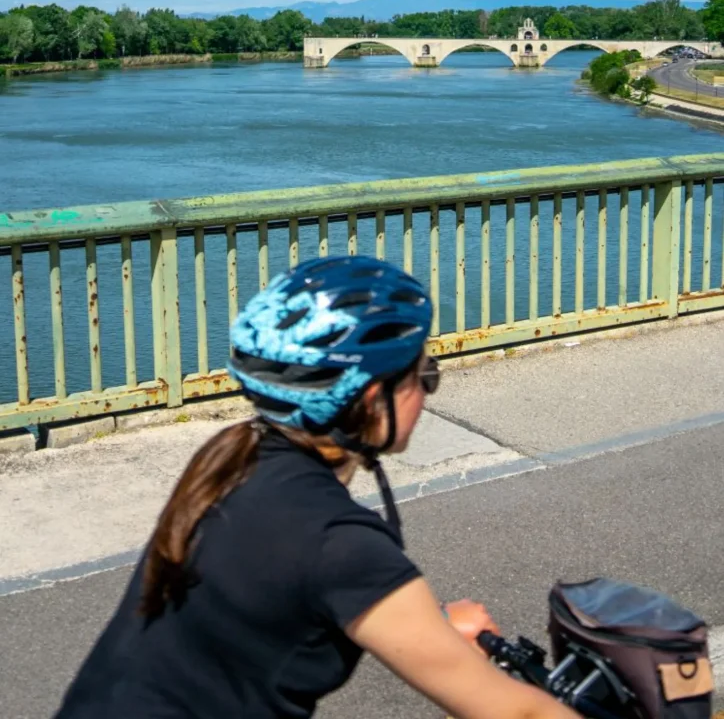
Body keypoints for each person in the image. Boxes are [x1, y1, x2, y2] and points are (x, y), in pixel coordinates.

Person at [56, 255, 578, 719]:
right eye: (424, 374)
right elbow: (517, 711)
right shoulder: (342, 545)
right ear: (374, 399)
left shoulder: (231, 457)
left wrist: (433, 629)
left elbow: (274, 598)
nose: (427, 388)